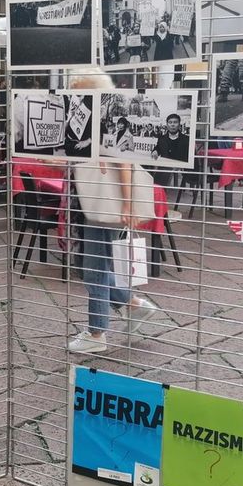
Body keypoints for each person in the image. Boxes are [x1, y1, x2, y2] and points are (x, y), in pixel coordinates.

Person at [67, 69, 159, 355]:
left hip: (104, 204)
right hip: (94, 204)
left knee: (94, 269)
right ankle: (133, 305)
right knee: (93, 266)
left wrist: (127, 204)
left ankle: (97, 333)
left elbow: (124, 163)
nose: (75, 96)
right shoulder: (93, 120)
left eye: (79, 90)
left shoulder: (105, 119)